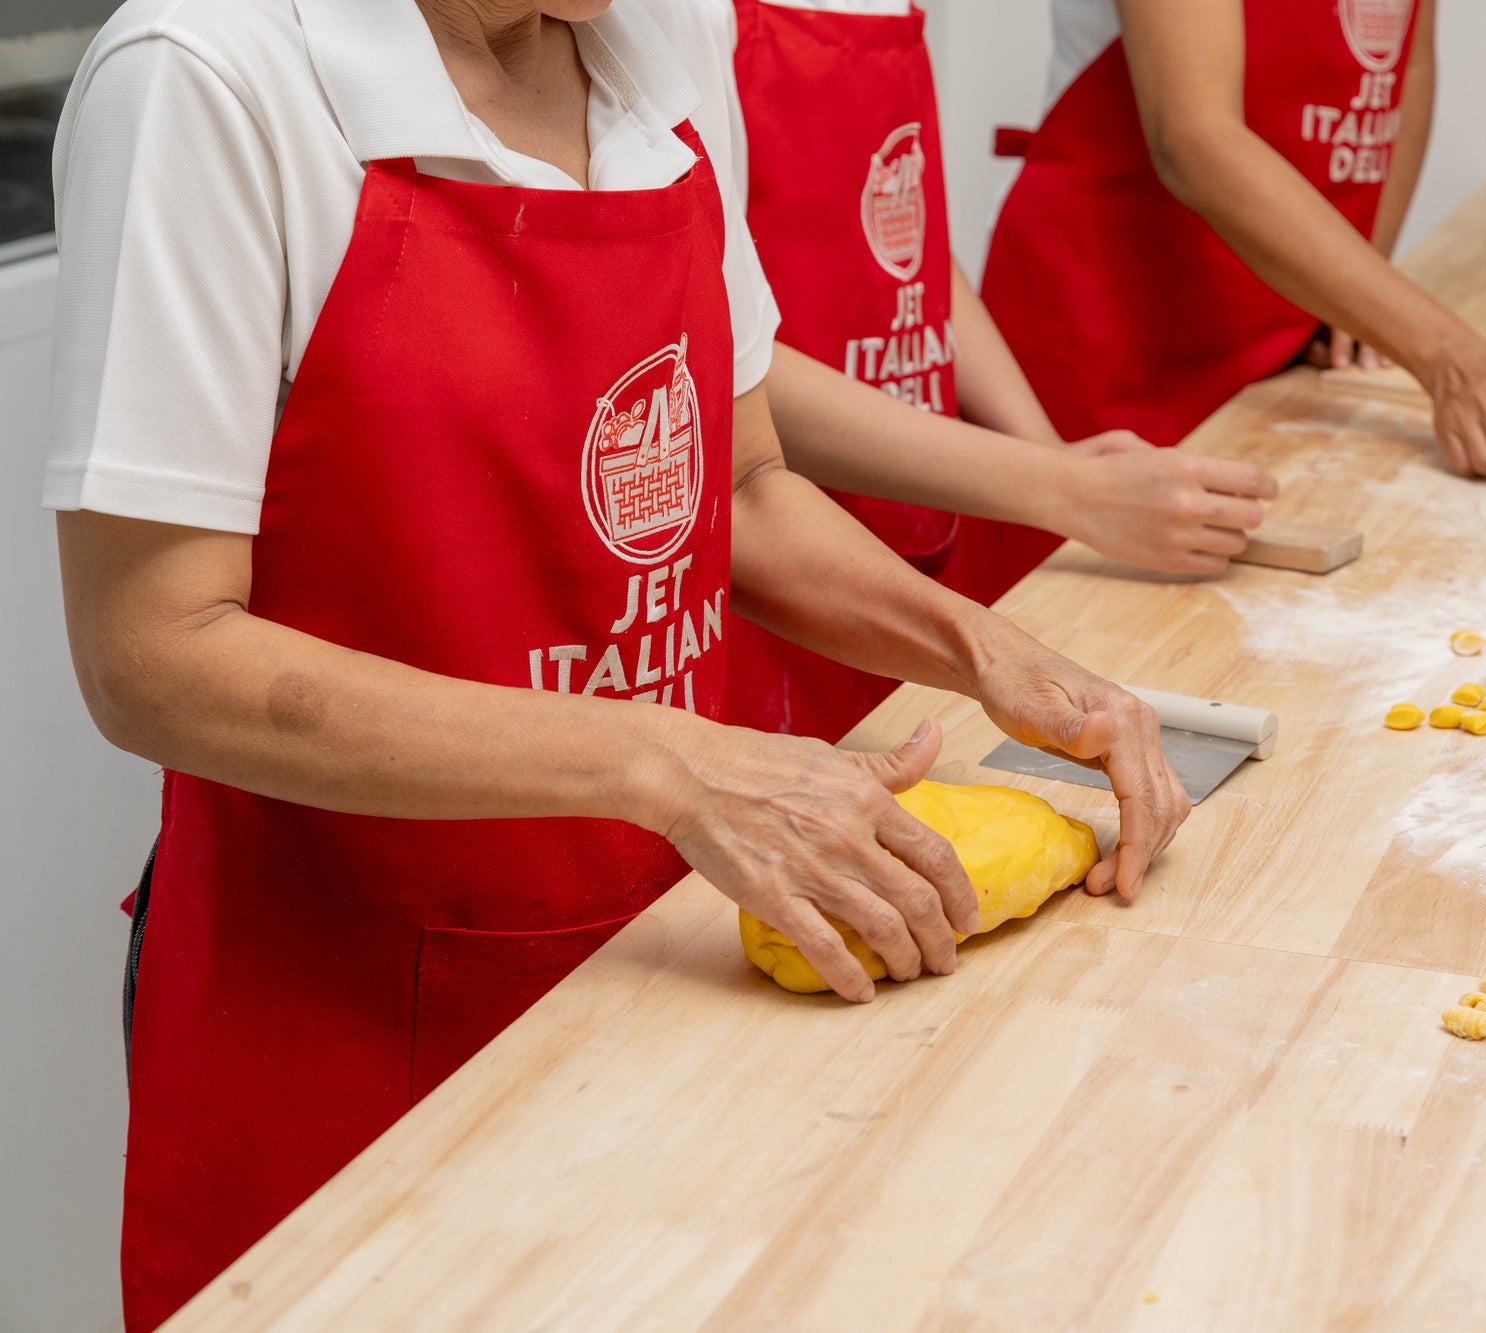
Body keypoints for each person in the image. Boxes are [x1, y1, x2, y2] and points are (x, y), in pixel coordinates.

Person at [44, 1, 1186, 1326]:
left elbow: (739, 483)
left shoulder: (651, 45)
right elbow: (154, 652)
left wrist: (981, 648)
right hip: (344, 1030)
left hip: (655, 963)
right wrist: (671, 763)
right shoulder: (211, 78)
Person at [723, 0, 1279, 740]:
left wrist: (1051, 454)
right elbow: (728, 369)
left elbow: (912, 249)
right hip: (784, 567)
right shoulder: (687, 21)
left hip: (915, 528)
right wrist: (1063, 488)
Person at [982, 0, 1486, 487]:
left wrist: (1359, 296)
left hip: (1284, 337)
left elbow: (1406, 66)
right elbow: (1195, 139)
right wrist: (1445, 351)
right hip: (1116, 329)